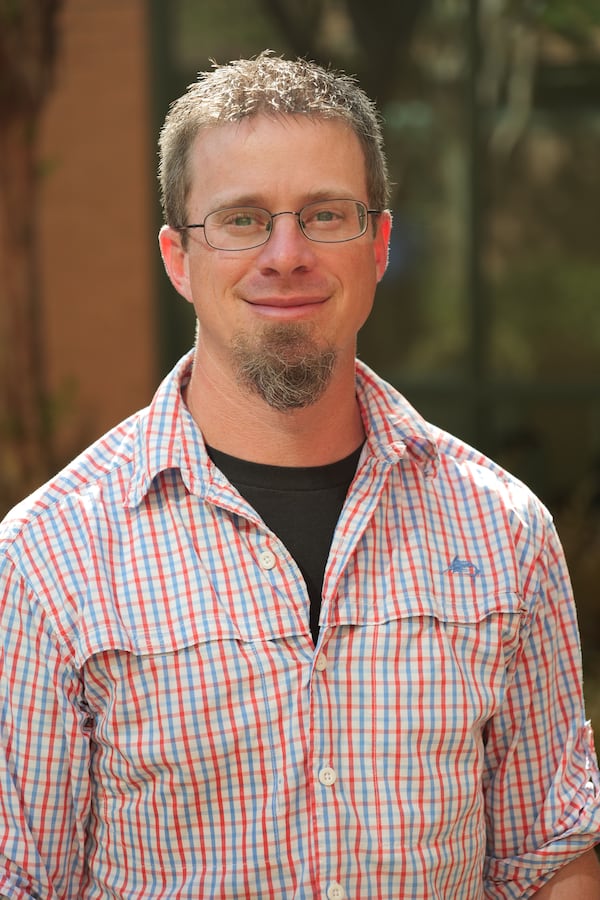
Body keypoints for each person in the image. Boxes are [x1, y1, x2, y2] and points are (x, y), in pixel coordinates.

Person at [0, 52, 599, 900]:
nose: (286, 255)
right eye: (242, 219)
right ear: (179, 258)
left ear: (379, 245)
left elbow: (550, 860)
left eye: (325, 215)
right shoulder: (48, 558)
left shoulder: (504, 531)